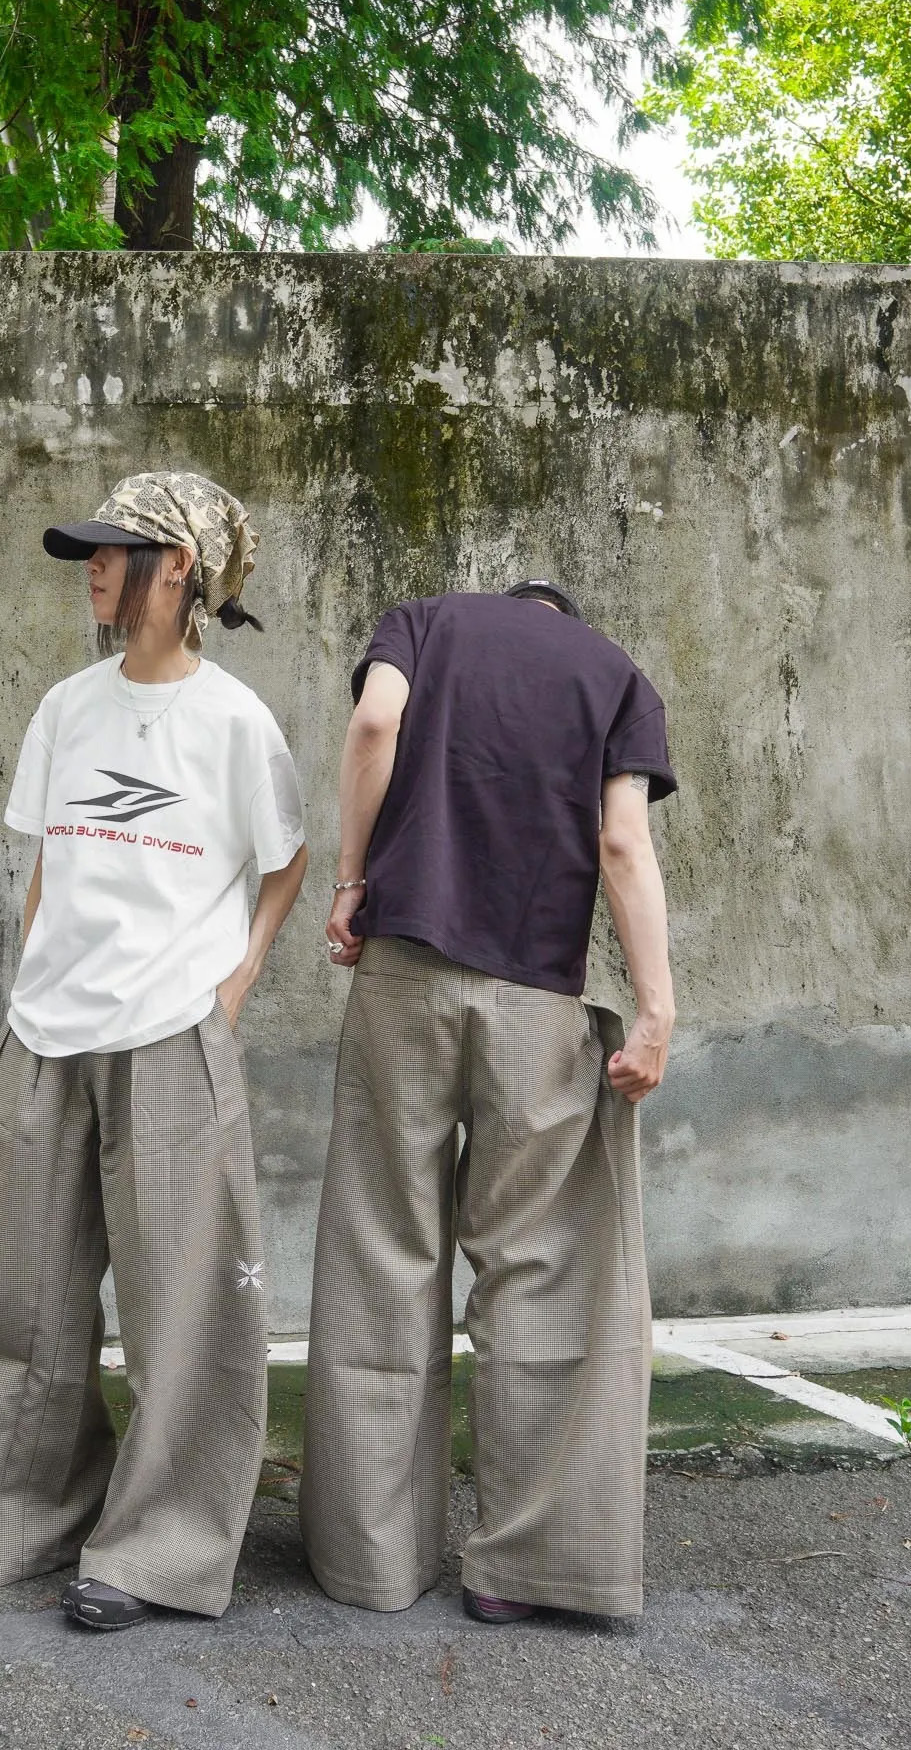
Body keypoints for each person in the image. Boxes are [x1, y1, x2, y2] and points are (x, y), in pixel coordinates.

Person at [0, 470, 307, 1632]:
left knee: (183, 1313)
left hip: (168, 1033)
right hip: (44, 1035)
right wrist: (34, 970)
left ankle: (156, 1550)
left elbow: (286, 857)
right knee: (22, 1299)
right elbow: (51, 855)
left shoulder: (235, 720)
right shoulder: (67, 706)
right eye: (87, 552)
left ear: (178, 567)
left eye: (111, 550)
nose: (92, 568)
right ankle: (22, 1517)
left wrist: (233, 983)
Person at [299, 580, 676, 1624]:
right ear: (565, 614)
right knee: (538, 1267)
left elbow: (374, 723)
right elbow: (622, 844)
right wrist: (655, 1006)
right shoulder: (614, 675)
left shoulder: (423, 623)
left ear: (508, 603)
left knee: (383, 1248)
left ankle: (372, 1561)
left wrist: (351, 881)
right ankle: (523, 1568)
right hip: (534, 999)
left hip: (402, 973)